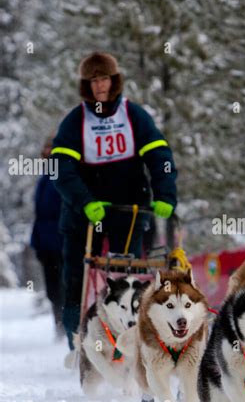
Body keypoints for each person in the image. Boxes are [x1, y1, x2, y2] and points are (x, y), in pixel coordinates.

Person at [52, 51, 177, 354]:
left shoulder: (133, 115)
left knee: (127, 276)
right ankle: (78, 342)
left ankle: (127, 344)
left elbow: (160, 157)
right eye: (93, 80)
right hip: (85, 212)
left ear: (115, 80)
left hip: (129, 209)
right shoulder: (75, 121)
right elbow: (60, 169)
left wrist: (165, 196)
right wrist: (84, 201)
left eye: (104, 78)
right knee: (77, 275)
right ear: (86, 85)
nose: (100, 86)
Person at [31, 138, 64, 338]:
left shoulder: (64, 175)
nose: (47, 151)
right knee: (53, 290)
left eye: (51, 147)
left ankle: (68, 330)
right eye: (46, 147)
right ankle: (59, 328)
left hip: (62, 240)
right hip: (45, 242)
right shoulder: (45, 176)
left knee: (65, 288)